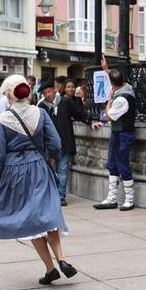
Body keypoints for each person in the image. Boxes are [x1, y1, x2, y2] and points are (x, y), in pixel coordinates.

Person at [0, 76, 76, 285]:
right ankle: (61, 259)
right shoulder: (40, 113)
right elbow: (56, 143)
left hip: (15, 172)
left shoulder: (2, 120)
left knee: (30, 220)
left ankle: (50, 268)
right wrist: (50, 160)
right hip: (39, 166)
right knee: (48, 214)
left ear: (9, 95)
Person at [91, 67, 137, 211]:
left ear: (112, 85)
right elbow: (116, 78)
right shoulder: (126, 87)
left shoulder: (121, 98)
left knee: (122, 165)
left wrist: (109, 99)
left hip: (123, 134)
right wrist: (107, 69)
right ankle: (112, 198)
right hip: (118, 133)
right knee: (112, 164)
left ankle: (129, 199)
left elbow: (107, 116)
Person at [52, 78, 86, 206]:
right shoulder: (64, 101)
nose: (71, 89)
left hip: (59, 142)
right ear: (63, 88)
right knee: (60, 170)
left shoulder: (59, 101)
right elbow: (81, 115)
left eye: (73, 87)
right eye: (68, 87)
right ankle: (60, 195)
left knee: (58, 170)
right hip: (61, 141)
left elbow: (79, 114)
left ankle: (58, 195)